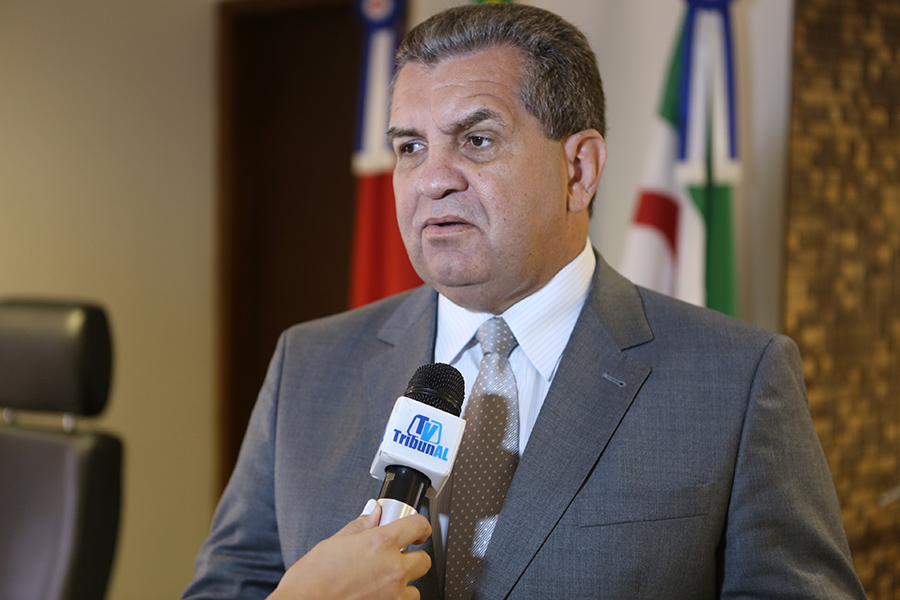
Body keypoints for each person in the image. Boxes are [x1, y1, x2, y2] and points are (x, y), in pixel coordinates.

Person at [182, 4, 865, 599]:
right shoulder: (307, 365)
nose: (432, 180)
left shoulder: (737, 380)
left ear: (579, 169)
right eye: (411, 146)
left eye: (476, 140)